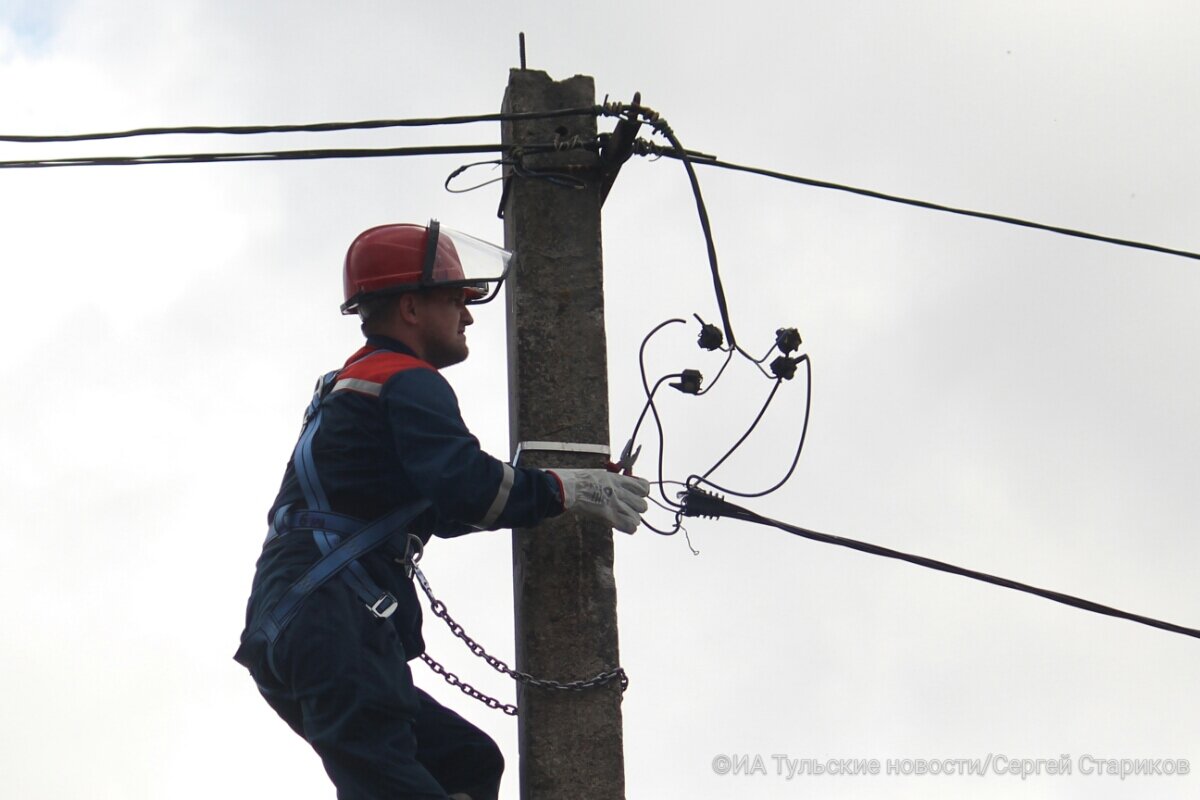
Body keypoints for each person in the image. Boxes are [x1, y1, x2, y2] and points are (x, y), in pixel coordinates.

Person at [234, 221, 650, 800]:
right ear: (410, 307)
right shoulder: (407, 380)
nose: (468, 316)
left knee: (466, 762)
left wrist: (548, 493)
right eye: (456, 299)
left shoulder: (351, 385)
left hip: (302, 618)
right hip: (333, 616)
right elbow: (466, 485)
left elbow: (442, 506)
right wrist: (565, 489)